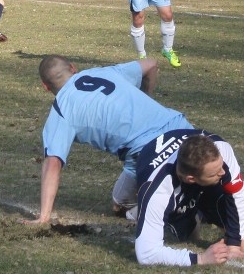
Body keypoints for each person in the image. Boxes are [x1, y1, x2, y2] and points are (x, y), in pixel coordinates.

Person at [26, 55, 194, 225]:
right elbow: (151, 64)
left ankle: (176, 206)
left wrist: (44, 216)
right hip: (182, 127)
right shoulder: (103, 72)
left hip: (150, 151)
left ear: (45, 87)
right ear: (73, 67)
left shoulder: (61, 110)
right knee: (206, 174)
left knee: (121, 203)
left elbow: (52, 163)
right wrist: (146, 98)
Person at [134, 131, 244, 266]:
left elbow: (237, 193)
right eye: (214, 172)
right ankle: (194, 214)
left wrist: (233, 246)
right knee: (180, 239)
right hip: (178, 191)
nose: (223, 173)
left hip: (209, 187)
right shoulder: (157, 191)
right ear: (191, 179)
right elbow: (146, 253)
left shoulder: (221, 149)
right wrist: (201, 259)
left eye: (221, 166)